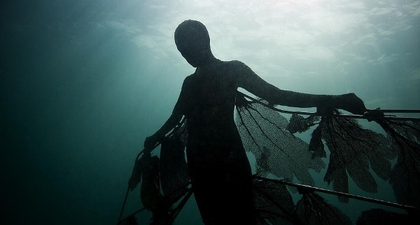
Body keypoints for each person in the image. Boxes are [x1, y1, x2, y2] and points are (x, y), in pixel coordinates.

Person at [144, 20, 366, 225]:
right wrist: (155, 136)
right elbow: (175, 118)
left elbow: (277, 95)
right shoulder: (189, 82)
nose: (185, 53)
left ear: (205, 40)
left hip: (228, 159)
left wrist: (337, 100)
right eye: (181, 49)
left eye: (188, 45)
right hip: (199, 166)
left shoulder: (232, 69)